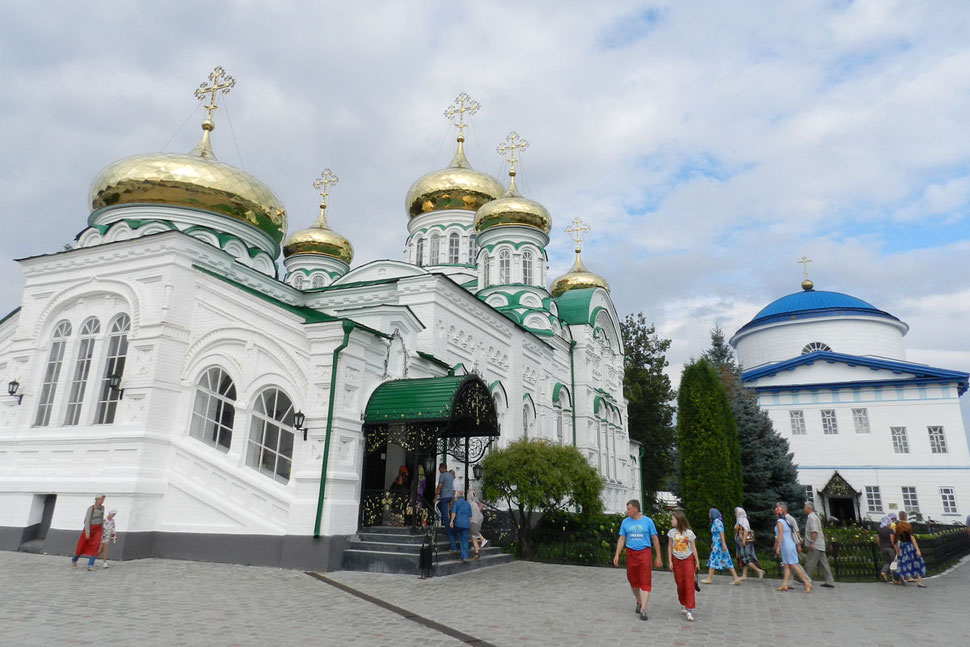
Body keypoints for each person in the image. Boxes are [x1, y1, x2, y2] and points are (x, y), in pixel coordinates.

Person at [612, 499, 662, 621]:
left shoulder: (648, 521)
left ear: (635, 509)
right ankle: (639, 601)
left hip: (644, 552)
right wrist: (617, 554)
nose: (627, 511)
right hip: (631, 553)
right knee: (632, 580)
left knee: (645, 579)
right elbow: (622, 539)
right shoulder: (625, 522)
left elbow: (654, 539)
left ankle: (643, 609)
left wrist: (658, 556)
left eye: (629, 509)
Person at [667, 509, 700, 622]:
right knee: (680, 583)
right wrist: (670, 561)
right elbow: (669, 547)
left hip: (688, 559)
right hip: (676, 559)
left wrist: (697, 561)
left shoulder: (689, 533)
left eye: (673, 519)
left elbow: (693, 547)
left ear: (679, 519)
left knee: (689, 583)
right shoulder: (671, 532)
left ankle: (689, 609)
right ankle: (683, 602)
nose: (671, 521)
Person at [773, 502, 812, 593]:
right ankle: (784, 584)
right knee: (786, 565)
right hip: (789, 544)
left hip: (785, 545)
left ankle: (807, 582)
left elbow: (780, 535)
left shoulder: (779, 522)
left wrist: (778, 547)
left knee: (793, 565)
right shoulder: (786, 521)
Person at [702, 508, 741, 585]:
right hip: (717, 543)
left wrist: (723, 544)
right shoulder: (715, 522)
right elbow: (716, 534)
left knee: (713, 559)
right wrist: (713, 543)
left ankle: (709, 578)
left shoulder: (717, 521)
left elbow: (721, 532)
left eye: (710, 513)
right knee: (727, 560)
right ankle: (736, 578)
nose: (709, 514)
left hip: (719, 544)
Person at [802, 502, 835, 588]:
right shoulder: (814, 517)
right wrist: (805, 539)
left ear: (809, 508)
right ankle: (830, 581)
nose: (803, 509)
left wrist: (812, 542)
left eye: (804, 507)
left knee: (810, 562)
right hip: (820, 544)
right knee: (824, 564)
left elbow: (814, 531)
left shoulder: (812, 518)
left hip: (815, 545)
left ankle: (806, 579)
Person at [71, 494, 106, 571]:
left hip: (98, 529)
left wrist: (102, 529)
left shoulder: (102, 508)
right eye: (101, 499)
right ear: (97, 500)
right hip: (90, 529)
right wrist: (87, 532)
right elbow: (87, 521)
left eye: (103, 499)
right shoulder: (91, 508)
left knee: (95, 546)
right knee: (82, 545)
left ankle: (90, 565)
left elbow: (102, 518)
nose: (102, 501)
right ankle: (74, 559)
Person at [894, 511, 926, 588]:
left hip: (902, 546)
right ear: (906, 517)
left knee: (902, 561)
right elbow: (912, 538)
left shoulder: (897, 526)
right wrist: (917, 549)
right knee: (917, 561)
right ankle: (919, 581)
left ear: (899, 517)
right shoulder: (908, 526)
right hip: (909, 545)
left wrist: (897, 550)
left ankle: (901, 576)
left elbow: (896, 540)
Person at [733, 506, 764, 580]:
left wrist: (743, 540)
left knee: (746, 558)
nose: (735, 514)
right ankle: (744, 575)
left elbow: (746, 530)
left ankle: (759, 571)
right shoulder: (739, 520)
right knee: (742, 558)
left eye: (736, 512)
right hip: (740, 542)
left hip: (745, 542)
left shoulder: (743, 520)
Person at [434, 463, 456, 552]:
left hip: (445, 497)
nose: (439, 471)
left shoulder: (442, 475)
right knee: (440, 507)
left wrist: (435, 496)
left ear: (442, 468)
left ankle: (447, 523)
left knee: (446, 521)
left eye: (439, 469)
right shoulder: (450, 476)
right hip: (450, 497)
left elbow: (439, 486)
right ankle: (448, 519)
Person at [449, 494, 472, 562]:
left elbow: (453, 513)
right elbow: (470, 516)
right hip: (466, 524)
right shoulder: (468, 504)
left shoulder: (456, 503)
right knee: (464, 540)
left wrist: (451, 521)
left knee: (451, 532)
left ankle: (453, 548)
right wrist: (467, 522)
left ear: (458, 498)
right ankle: (464, 557)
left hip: (457, 523)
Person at [467, 489, 488, 559]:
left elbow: (469, 514)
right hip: (478, 520)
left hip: (473, 521)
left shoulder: (470, 504)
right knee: (474, 537)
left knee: (474, 536)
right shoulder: (475, 503)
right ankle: (476, 552)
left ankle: (482, 540)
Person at [876, 515, 896, 582]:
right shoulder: (890, 530)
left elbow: (878, 540)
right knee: (893, 563)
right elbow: (892, 541)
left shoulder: (879, 530)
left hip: (882, 548)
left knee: (887, 562)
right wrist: (896, 549)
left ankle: (883, 573)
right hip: (890, 548)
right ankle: (894, 578)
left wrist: (880, 546)